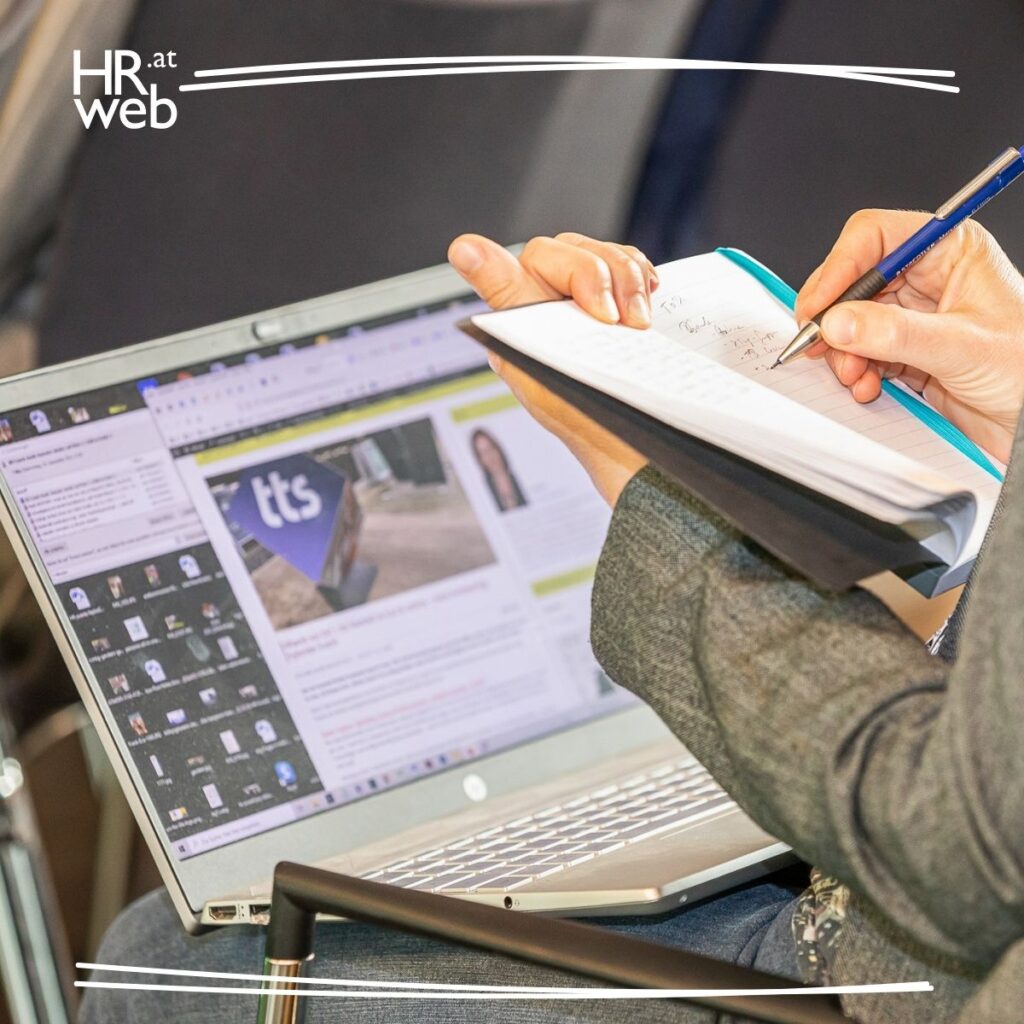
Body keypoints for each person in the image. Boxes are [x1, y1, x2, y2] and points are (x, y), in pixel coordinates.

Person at [83, 212, 1024, 1024]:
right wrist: (994, 452)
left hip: (881, 978)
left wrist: (665, 491)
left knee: (157, 962)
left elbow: (956, 852)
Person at [470, 428, 528, 511]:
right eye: (483, 453)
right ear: (480, 460)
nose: (490, 457)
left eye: (490, 449)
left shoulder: (519, 476)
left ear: (498, 449)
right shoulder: (483, 490)